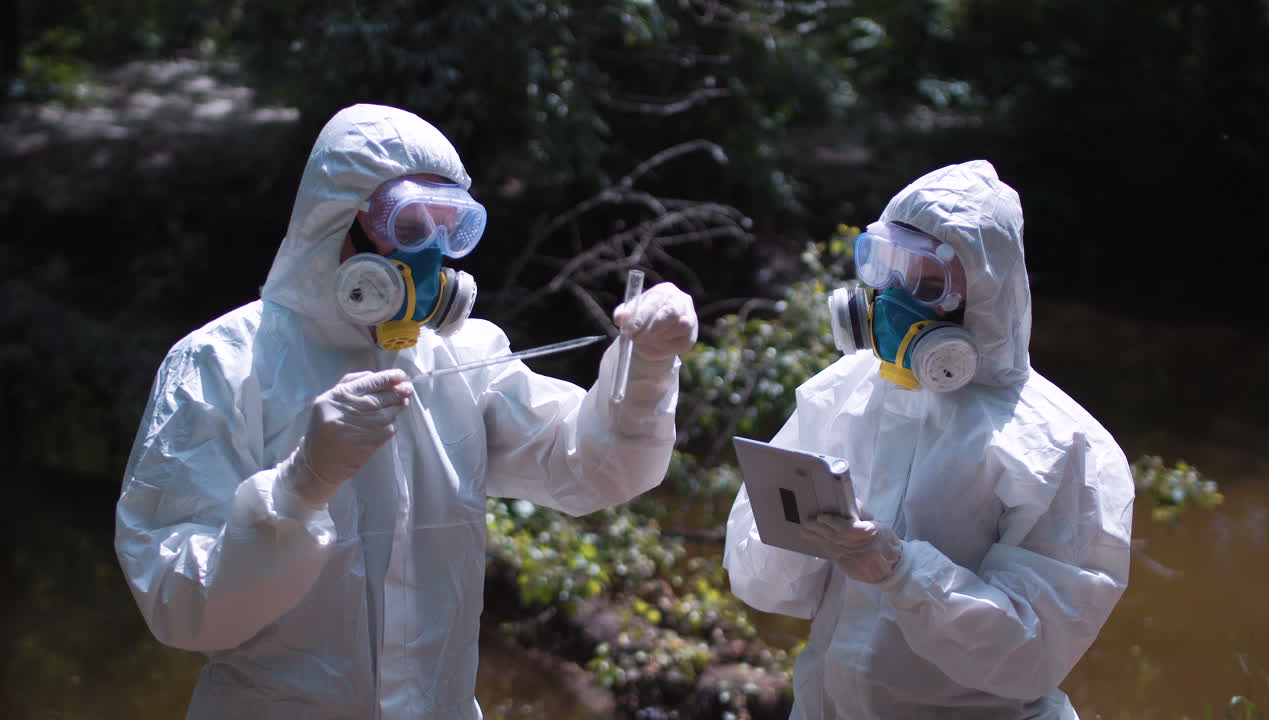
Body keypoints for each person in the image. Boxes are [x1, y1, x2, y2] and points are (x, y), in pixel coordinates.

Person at [115, 103, 698, 719]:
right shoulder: (223, 364)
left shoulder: (463, 356)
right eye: (409, 225)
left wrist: (648, 369)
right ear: (336, 220)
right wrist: (299, 487)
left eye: (451, 229)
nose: (432, 254)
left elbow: (589, 469)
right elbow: (178, 605)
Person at [723, 160, 1133, 719]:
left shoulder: (1060, 445)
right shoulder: (843, 392)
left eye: (927, 281)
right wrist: (803, 536)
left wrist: (901, 572)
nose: (894, 296)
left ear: (987, 293)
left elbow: (1029, 657)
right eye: (885, 266)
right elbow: (764, 588)